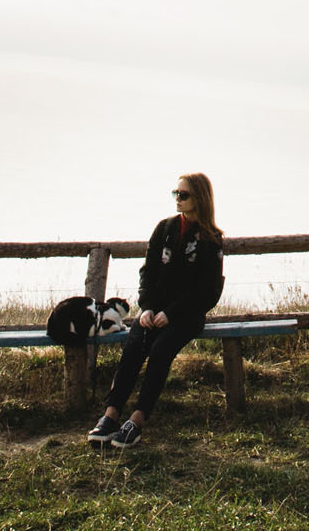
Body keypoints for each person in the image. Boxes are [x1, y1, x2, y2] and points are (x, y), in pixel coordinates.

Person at [88, 172, 224, 449]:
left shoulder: (212, 239)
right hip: (154, 312)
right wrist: (146, 308)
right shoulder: (164, 228)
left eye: (183, 195)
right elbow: (147, 272)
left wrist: (172, 313)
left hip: (186, 316)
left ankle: (137, 420)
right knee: (135, 346)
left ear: (199, 198)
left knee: (161, 350)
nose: (178, 199)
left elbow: (208, 291)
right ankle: (111, 415)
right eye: (175, 194)